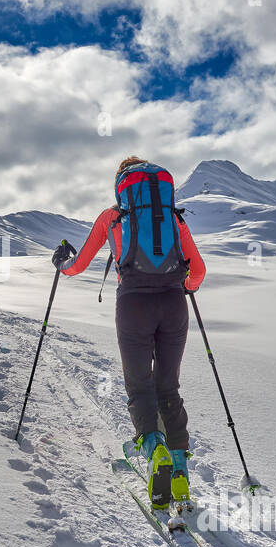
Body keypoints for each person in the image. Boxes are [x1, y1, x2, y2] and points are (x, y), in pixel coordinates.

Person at [51, 156, 206, 511]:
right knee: (168, 385)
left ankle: (155, 452)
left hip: (133, 304)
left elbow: (77, 266)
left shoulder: (112, 216)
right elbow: (198, 271)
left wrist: (60, 261)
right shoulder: (174, 218)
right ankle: (179, 467)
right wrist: (182, 285)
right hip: (173, 304)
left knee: (139, 385)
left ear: (122, 186)